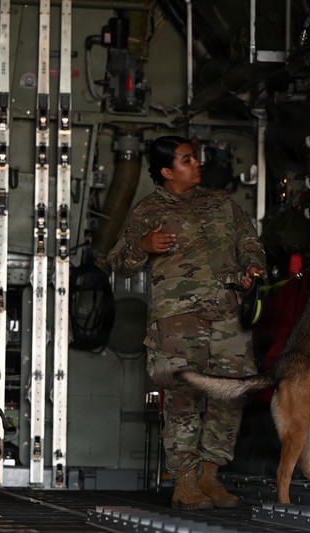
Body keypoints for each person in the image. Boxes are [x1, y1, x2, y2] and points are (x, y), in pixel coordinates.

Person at [107, 135, 266, 510]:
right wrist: (142, 247)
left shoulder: (221, 202)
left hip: (228, 315)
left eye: (194, 158)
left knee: (231, 393)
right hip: (178, 321)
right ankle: (185, 483)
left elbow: (249, 241)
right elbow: (118, 262)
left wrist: (253, 268)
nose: (196, 164)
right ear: (166, 171)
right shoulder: (148, 211)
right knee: (184, 397)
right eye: (186, 160)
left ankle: (210, 475)